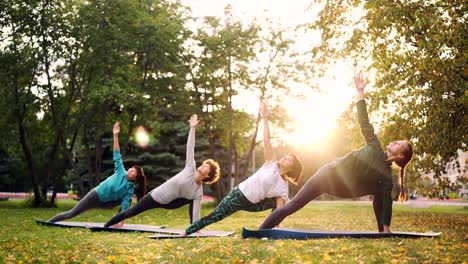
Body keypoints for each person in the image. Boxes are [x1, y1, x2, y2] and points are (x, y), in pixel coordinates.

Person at [259, 72, 414, 233]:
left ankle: (382, 230)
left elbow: (387, 204)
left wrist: (387, 228)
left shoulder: (386, 177)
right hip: (327, 175)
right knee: (292, 206)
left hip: (340, 187)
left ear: (401, 155)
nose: (395, 141)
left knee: (381, 191)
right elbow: (364, 121)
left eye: (399, 143)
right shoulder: (375, 146)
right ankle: (259, 231)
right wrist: (360, 92)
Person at [183, 102, 303, 236]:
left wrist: (279, 224)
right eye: (286, 156)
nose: (284, 158)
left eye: (289, 159)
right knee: (216, 216)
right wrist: (265, 118)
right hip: (238, 195)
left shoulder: (283, 187)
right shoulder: (271, 163)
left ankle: (269, 229)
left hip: (253, 204)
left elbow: (280, 210)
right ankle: (187, 231)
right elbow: (267, 139)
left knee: (279, 205)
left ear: (292, 168)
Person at [104, 114, 220, 227]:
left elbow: (196, 211)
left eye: (206, 166)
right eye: (204, 164)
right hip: (156, 196)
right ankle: (107, 225)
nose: (203, 165)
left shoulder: (198, 192)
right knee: (131, 212)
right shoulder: (190, 168)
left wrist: (195, 227)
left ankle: (193, 227)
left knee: (194, 200)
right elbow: (190, 147)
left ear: (208, 175)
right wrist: (192, 128)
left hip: (170, 203)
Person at [49, 122, 146, 227]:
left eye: (134, 172)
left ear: (135, 178)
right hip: (95, 195)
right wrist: (115, 135)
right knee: (71, 214)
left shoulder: (129, 189)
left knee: (128, 200)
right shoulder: (121, 171)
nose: (131, 170)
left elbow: (125, 205)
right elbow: (117, 154)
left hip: (106, 203)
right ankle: (49, 222)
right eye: (132, 168)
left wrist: (122, 221)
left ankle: (116, 222)